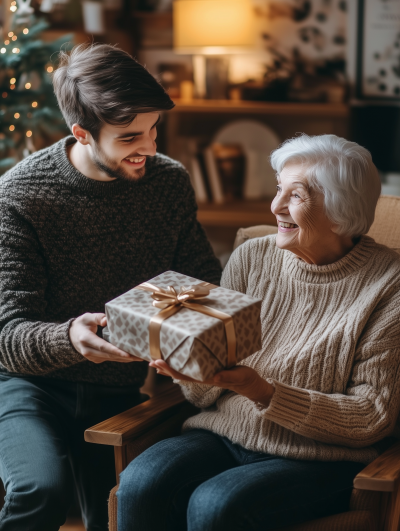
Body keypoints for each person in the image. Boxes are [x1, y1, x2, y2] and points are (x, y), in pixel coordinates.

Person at [117, 134, 400, 531]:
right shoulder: (252, 256)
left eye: (295, 196)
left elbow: (372, 415)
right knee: (140, 483)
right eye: (278, 188)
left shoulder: (390, 285)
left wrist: (264, 392)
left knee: (215, 505)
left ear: (340, 211)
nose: (275, 206)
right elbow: (207, 390)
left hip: (319, 457)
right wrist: (193, 369)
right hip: (222, 432)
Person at [0, 43, 221, 531]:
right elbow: (9, 336)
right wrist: (69, 337)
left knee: (123, 506)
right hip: (29, 386)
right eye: (130, 137)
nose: (150, 148)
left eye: (153, 129)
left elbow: (202, 280)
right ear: (82, 132)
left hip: (117, 389)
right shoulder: (21, 195)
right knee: (40, 489)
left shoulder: (168, 182)